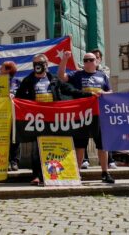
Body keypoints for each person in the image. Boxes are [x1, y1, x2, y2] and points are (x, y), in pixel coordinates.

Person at [17, 53, 90, 185]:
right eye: (35, 64)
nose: (37, 66)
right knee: (36, 148)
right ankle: (37, 176)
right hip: (37, 119)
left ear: (46, 65)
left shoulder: (54, 80)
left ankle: (55, 173)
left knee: (55, 147)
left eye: (40, 63)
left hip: (53, 118)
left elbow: (71, 90)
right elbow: (19, 97)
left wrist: (90, 95)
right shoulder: (28, 81)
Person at [58, 50, 114, 183]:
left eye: (91, 60)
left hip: (99, 115)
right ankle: (77, 173)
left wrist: (104, 93)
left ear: (97, 61)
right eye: (85, 60)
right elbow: (61, 77)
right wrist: (65, 59)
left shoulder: (103, 76)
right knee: (80, 145)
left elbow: (110, 91)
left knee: (102, 145)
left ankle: (105, 172)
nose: (88, 62)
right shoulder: (77, 74)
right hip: (81, 115)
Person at [0, 60, 21, 171]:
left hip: (13, 114)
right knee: (2, 138)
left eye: (1, 67)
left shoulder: (17, 82)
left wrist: (14, 95)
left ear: (8, 70)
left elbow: (22, 97)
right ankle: (4, 161)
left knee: (14, 137)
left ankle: (14, 161)